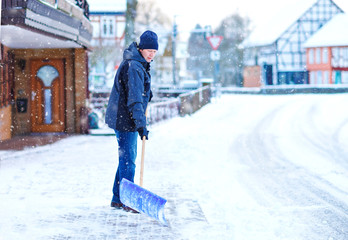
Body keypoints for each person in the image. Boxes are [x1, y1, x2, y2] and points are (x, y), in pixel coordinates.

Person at [105, 30, 158, 213]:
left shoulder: (136, 63)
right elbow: (134, 99)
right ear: (141, 48)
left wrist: (147, 92)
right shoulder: (134, 66)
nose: (151, 54)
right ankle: (128, 200)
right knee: (128, 161)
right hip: (125, 119)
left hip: (122, 117)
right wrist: (141, 125)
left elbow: (136, 92)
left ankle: (118, 198)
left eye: (154, 51)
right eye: (149, 50)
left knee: (125, 159)